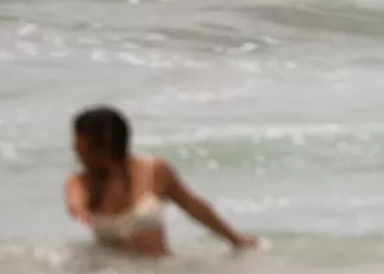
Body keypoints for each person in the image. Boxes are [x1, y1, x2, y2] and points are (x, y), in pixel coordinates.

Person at [65, 105, 258, 257]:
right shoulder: (82, 182)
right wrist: (80, 210)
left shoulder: (155, 170)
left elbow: (194, 207)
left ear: (106, 144)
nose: (75, 150)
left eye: (82, 146)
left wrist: (235, 238)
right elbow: (76, 201)